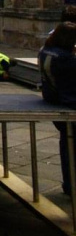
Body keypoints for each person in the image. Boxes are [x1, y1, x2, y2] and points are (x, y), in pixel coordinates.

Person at [39, 22, 76, 195]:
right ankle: (71, 184)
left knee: (66, 144)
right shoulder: (66, 58)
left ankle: (69, 184)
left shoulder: (45, 50)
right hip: (68, 103)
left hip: (54, 99)